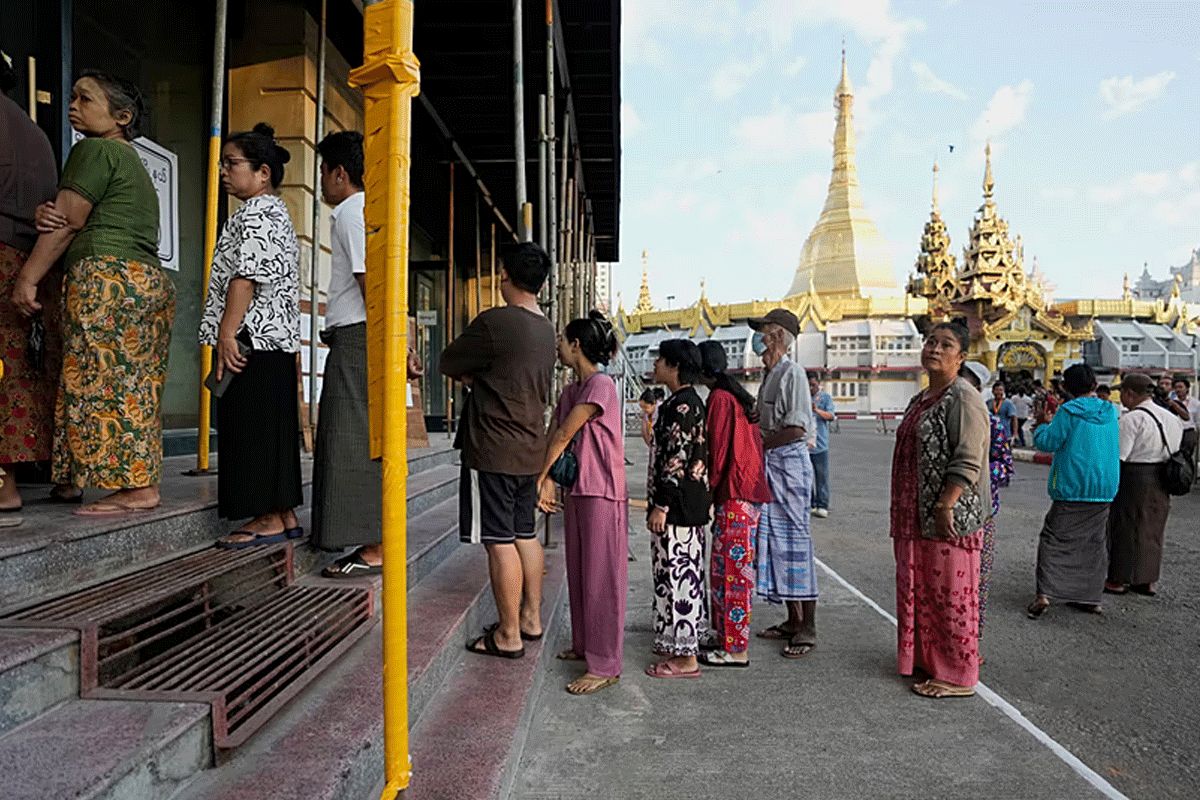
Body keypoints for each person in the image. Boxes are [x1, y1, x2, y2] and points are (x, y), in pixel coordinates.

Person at [16, 71, 175, 515]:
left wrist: (27, 277)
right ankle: (72, 479)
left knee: (104, 382)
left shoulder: (95, 149)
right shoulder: (130, 161)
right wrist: (48, 212)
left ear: (121, 117)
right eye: (72, 97)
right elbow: (67, 213)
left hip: (107, 278)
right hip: (146, 282)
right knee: (122, 382)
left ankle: (138, 489)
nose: (73, 106)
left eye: (85, 99)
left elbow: (68, 221)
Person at [441, 242, 556, 659]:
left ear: (505, 274)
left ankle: (508, 634)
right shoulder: (547, 330)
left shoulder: (495, 322)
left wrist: (477, 378)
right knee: (525, 533)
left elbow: (448, 362)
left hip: (492, 448)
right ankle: (530, 618)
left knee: (498, 540)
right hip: (529, 448)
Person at [200, 123, 302, 546]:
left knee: (250, 429)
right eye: (222, 164)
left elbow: (246, 277)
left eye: (232, 163)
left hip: (250, 340)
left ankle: (266, 517)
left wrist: (226, 333)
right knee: (272, 429)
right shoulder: (277, 212)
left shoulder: (257, 213)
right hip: (273, 343)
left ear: (263, 172)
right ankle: (283, 512)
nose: (224, 171)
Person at [891, 322, 990, 699]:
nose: (934, 348)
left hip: (947, 515)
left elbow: (969, 456)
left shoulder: (963, 397)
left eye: (946, 345)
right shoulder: (922, 398)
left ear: (961, 357)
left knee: (951, 595)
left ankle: (958, 675)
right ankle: (929, 660)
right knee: (923, 591)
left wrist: (946, 503)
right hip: (914, 513)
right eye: (931, 341)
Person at [536, 311, 627, 694]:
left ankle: (605, 664)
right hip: (578, 487)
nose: (557, 345)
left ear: (576, 346)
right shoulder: (571, 390)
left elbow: (563, 436)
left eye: (562, 339)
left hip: (602, 489)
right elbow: (554, 436)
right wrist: (550, 480)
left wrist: (539, 480)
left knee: (601, 578)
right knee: (579, 572)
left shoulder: (601, 385)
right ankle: (584, 645)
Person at [305, 131, 383, 576]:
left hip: (358, 338)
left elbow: (367, 280)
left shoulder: (353, 212)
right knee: (348, 437)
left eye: (322, 171)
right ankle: (368, 538)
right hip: (358, 335)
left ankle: (372, 545)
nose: (320, 180)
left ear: (339, 173)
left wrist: (388, 343)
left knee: (348, 440)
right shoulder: (365, 212)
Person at [0, 52, 60, 514]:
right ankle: (13, 482)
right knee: (18, 371)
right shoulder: (33, 131)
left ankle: (4, 487)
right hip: (29, 260)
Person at [748, 308, 818, 659]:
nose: (758, 339)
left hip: (788, 465)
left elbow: (795, 429)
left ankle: (808, 626)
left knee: (796, 544)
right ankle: (792, 619)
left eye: (763, 332)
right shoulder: (770, 375)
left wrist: (756, 445)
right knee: (776, 543)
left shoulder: (793, 374)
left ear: (777, 336)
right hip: (772, 465)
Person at [696, 340, 770, 667]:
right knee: (723, 568)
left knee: (733, 573)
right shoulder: (734, 395)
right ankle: (725, 634)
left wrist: (706, 491)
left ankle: (736, 648)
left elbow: (717, 451)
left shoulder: (720, 399)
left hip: (735, 493)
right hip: (744, 493)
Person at [1026, 363, 1119, 619]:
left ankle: (1045, 594)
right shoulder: (1110, 410)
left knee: (1053, 539)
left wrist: (1042, 425)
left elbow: (1048, 442)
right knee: (1094, 543)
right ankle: (1090, 598)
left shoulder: (1068, 411)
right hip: (1104, 487)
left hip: (1072, 485)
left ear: (1065, 387)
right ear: (1094, 385)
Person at [644, 338, 710, 678]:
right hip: (680, 506)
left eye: (661, 360)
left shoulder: (684, 407)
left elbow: (676, 459)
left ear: (675, 367)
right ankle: (676, 641)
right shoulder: (678, 402)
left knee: (681, 577)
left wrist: (661, 505)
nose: (656, 365)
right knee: (671, 575)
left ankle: (686, 658)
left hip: (678, 508)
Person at [1105, 373, 1182, 597]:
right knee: (1152, 530)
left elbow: (1120, 456)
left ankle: (1119, 579)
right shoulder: (1171, 418)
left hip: (1134, 477)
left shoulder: (1131, 419)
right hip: (1162, 477)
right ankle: (1147, 580)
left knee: (1126, 527)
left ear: (1129, 393)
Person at [958, 361, 1010, 637]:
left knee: (978, 575)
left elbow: (1005, 465)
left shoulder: (993, 423)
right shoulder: (945, 416)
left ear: (977, 388)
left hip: (982, 510)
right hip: (947, 510)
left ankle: (973, 635)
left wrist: (975, 476)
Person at [808, 371, 835, 518]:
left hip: (820, 445)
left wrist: (817, 410)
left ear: (818, 383)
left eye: (813, 385)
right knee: (806, 477)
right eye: (808, 385)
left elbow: (831, 416)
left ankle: (822, 504)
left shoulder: (825, 398)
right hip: (806, 445)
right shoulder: (802, 397)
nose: (811, 388)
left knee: (821, 478)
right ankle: (811, 503)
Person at [1169, 377, 1199, 462]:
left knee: (1187, 456)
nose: (1178, 389)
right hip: (1174, 431)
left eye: (1180, 387)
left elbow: (1198, 421)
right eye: (1176, 387)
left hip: (1188, 432)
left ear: (1187, 389)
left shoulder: (1195, 403)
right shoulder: (1171, 403)